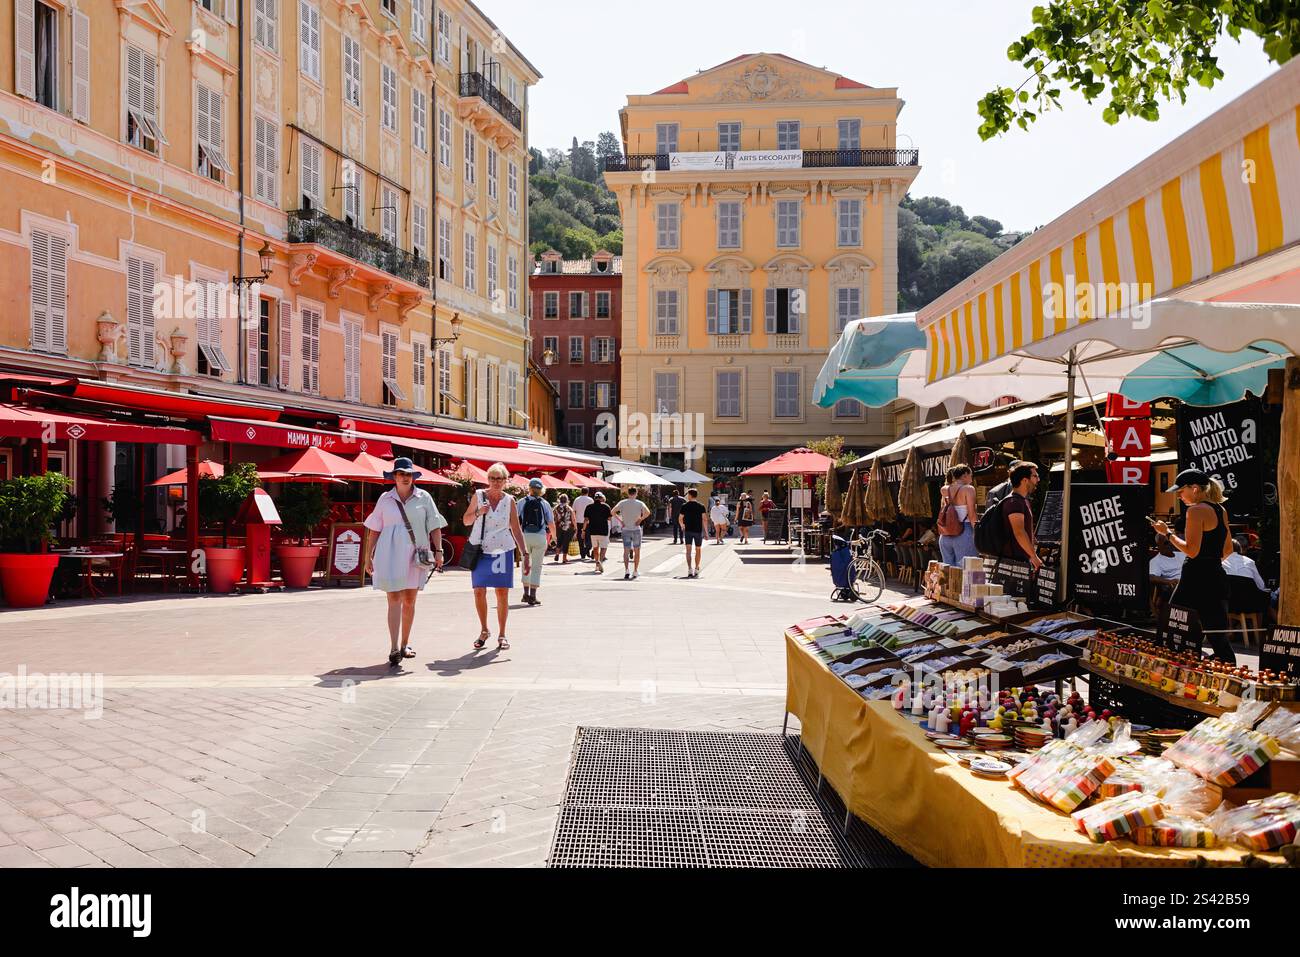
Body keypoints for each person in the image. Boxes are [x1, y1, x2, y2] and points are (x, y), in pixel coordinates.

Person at [362, 458, 447, 668]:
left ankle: (405, 643)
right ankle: (393, 647)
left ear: (413, 476)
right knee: (393, 597)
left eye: (408, 473)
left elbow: (434, 526)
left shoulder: (424, 497)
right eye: (401, 473)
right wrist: (367, 556)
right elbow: (374, 529)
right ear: (394, 476)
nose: (405, 477)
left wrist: (439, 551)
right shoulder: (385, 498)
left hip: (415, 553)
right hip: (389, 553)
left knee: (409, 599)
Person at [1152, 469, 1235, 662]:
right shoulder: (1220, 510)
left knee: (1172, 626)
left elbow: (1192, 551)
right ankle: (1233, 680)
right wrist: (1210, 563)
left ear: (1195, 489)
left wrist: (1167, 533)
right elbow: (1228, 548)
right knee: (1217, 636)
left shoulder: (1195, 511)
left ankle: (1170, 671)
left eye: (1181, 491)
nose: (1179, 496)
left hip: (1194, 579)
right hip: (1215, 577)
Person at [462, 463, 529, 651]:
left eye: (500, 478)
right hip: (481, 549)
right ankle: (484, 630)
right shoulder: (479, 496)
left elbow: (516, 528)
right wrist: (478, 512)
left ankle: (502, 634)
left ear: (506, 480)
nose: (496, 482)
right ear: (487, 479)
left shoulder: (510, 501)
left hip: (502, 550)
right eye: (492, 478)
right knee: (479, 591)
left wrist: (525, 553)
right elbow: (466, 520)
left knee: (502, 592)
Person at [517, 478, 556, 605]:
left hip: (525, 536)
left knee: (526, 565)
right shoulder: (545, 503)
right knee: (536, 566)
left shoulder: (521, 502)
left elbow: (515, 521)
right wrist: (554, 538)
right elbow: (551, 522)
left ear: (529, 488)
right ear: (541, 490)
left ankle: (525, 594)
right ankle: (533, 596)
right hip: (540, 537)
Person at [998, 461, 1042, 570]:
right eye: (1035, 476)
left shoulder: (1022, 501)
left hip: (1018, 562)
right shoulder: (1014, 502)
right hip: (1014, 564)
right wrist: (1034, 557)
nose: (1038, 480)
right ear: (1025, 480)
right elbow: (1019, 532)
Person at [938, 464, 978, 566]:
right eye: (970, 475)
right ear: (965, 475)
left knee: (948, 573)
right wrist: (977, 533)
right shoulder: (968, 489)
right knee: (969, 571)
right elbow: (972, 514)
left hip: (945, 534)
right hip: (964, 532)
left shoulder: (944, 489)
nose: (971, 479)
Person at [612, 487, 651, 579]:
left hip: (625, 529)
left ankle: (626, 570)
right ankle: (635, 571)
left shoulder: (622, 503)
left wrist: (621, 521)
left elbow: (612, 512)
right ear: (636, 493)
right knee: (637, 551)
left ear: (628, 493)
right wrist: (640, 519)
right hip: (636, 529)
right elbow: (648, 512)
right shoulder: (640, 503)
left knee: (626, 550)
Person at [679, 488, 708, 578]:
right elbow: (704, 519)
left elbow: (680, 518)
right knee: (698, 550)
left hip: (688, 531)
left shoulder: (684, 506)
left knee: (688, 551)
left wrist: (682, 525)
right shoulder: (701, 506)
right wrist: (706, 532)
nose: (687, 496)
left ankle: (689, 569)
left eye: (688, 494)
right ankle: (696, 568)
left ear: (690, 495)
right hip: (698, 531)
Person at [582, 491, 612, 574]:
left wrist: (583, 530)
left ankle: (596, 564)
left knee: (595, 548)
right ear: (602, 498)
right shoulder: (606, 506)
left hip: (593, 530)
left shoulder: (589, 507)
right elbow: (609, 518)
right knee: (603, 547)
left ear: (594, 498)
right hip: (603, 530)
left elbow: (586, 520)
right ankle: (600, 562)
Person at [553, 494, 576, 564]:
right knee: (566, 542)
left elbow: (553, 518)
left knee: (559, 541)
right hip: (568, 528)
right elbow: (573, 519)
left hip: (558, 527)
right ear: (567, 500)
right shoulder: (569, 508)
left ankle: (557, 554)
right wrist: (575, 527)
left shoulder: (555, 508)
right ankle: (564, 558)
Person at [572, 487, 594, 560]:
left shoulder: (577, 499)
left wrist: (573, 521)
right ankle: (587, 549)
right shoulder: (590, 500)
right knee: (589, 538)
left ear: (581, 492)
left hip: (578, 521)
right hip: (588, 522)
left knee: (580, 538)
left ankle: (582, 554)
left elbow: (573, 511)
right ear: (588, 492)